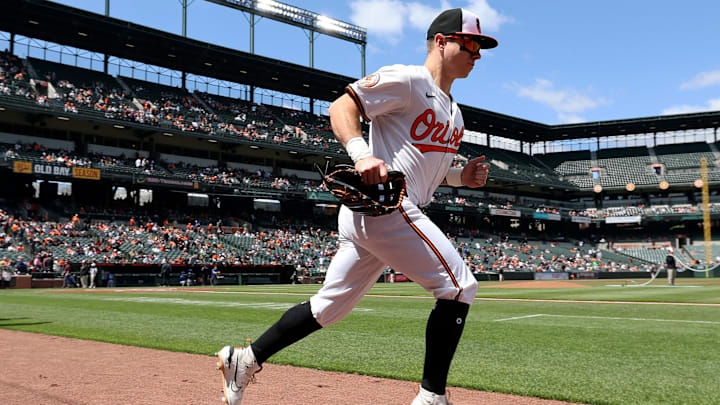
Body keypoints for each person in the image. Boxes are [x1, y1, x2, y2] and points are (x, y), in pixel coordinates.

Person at [215, 8, 495, 405]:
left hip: (380, 212)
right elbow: (340, 108)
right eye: (470, 43)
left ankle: (244, 359)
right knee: (459, 286)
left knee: (327, 308)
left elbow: (424, 167)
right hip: (386, 206)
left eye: (480, 47)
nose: (477, 54)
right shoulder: (409, 79)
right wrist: (361, 153)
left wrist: (458, 178)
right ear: (441, 41)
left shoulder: (455, 113)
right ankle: (432, 398)